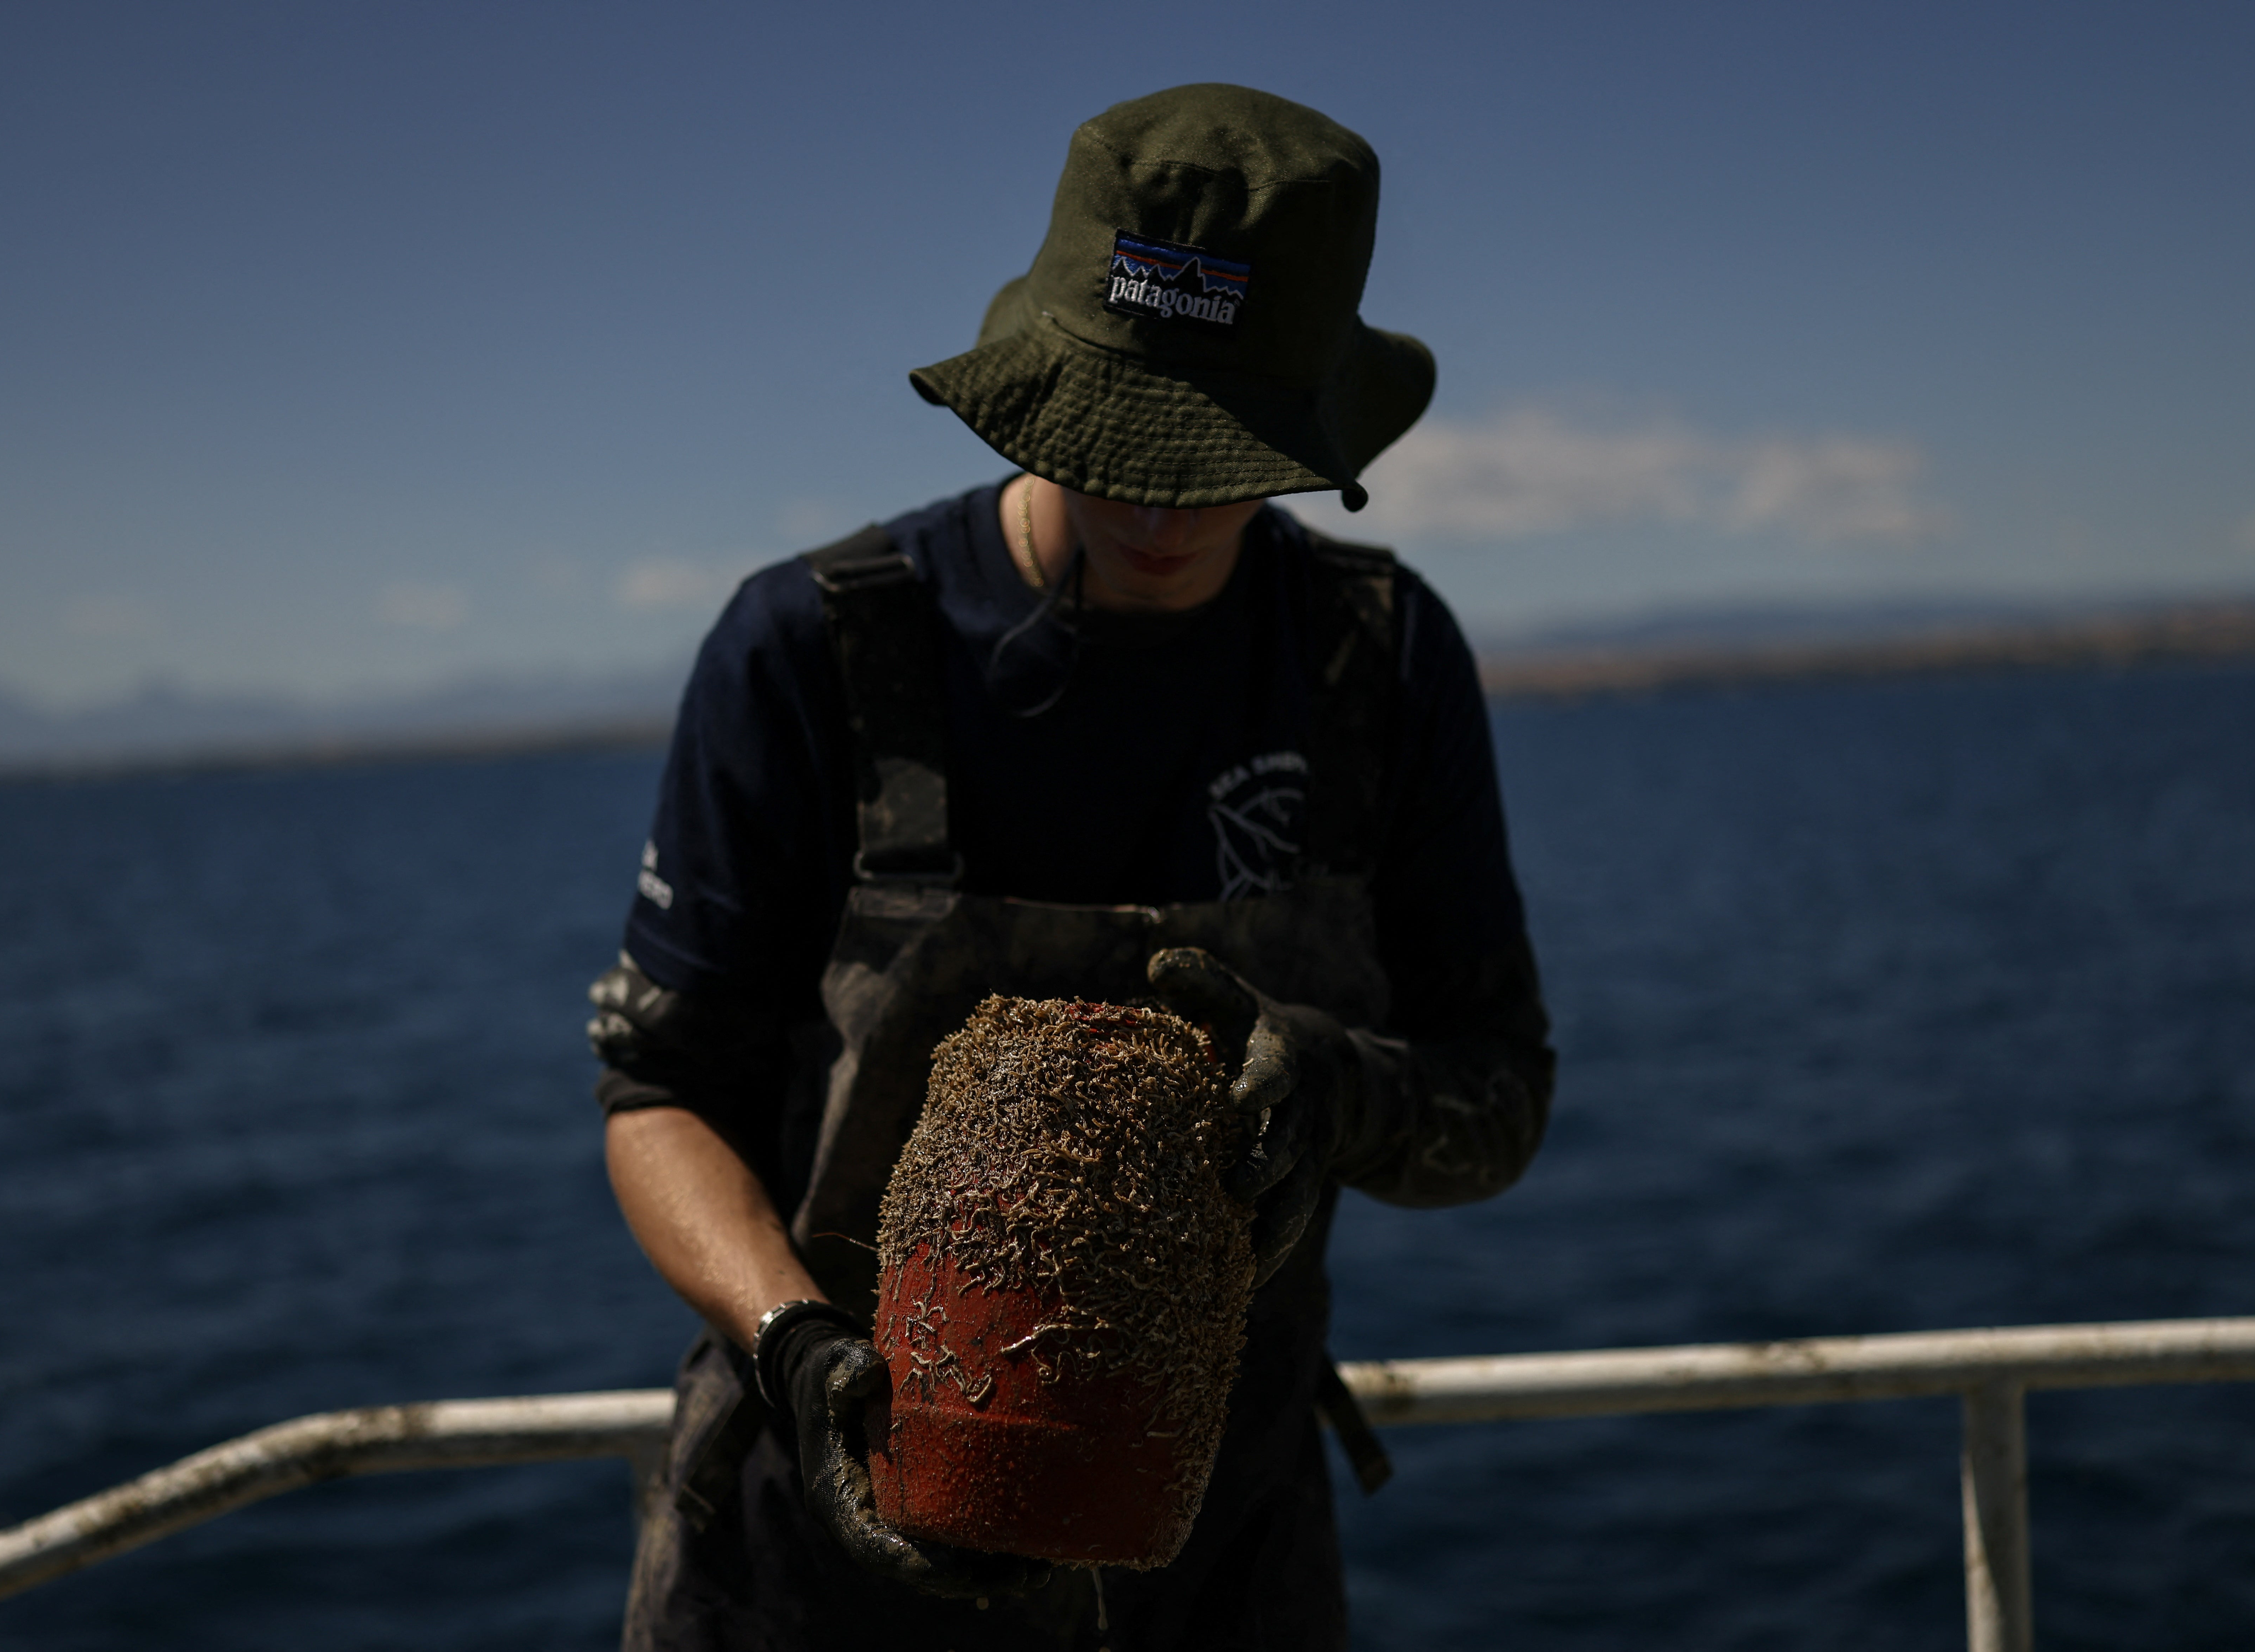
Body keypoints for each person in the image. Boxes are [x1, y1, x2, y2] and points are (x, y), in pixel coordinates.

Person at [585, 83, 1555, 1652]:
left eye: (1217, 452)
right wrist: (801, 1358)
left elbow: (1500, 1096)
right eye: (1115, 441)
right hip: (809, 1554)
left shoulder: (1377, 664)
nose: (1159, 505)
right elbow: (657, 1097)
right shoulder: (813, 649)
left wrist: (1341, 1094)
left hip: (1219, 1552)